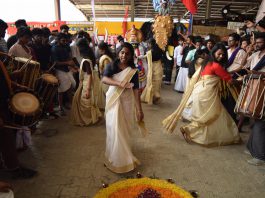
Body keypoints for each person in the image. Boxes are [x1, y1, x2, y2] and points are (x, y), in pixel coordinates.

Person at [163, 43, 241, 147]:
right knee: (209, 116)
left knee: (208, 116)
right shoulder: (216, 65)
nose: (221, 56)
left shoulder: (206, 63)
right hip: (207, 94)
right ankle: (188, 130)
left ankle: (200, 134)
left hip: (200, 91)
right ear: (213, 52)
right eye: (219, 54)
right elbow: (230, 81)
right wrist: (241, 80)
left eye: (223, 55)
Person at [102, 42, 144, 173]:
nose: (124, 55)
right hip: (114, 99)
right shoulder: (112, 65)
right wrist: (119, 83)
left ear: (131, 55)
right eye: (122, 52)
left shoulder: (133, 71)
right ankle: (116, 158)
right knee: (115, 127)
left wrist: (139, 109)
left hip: (127, 101)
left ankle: (124, 153)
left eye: (127, 53)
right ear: (118, 53)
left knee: (124, 127)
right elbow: (104, 79)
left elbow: (136, 90)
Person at [0, 60, 37, 179]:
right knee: (7, 137)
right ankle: (13, 168)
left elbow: (3, 80)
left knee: (7, 137)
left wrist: (16, 84)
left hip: (4, 103)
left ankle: (7, 163)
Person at [243, 32, 265, 165]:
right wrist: (249, 50)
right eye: (256, 42)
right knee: (256, 121)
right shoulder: (256, 54)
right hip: (255, 89)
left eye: (260, 42)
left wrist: (258, 73)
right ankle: (252, 148)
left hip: (262, 90)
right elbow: (244, 64)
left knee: (260, 122)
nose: (257, 44)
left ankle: (260, 156)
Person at [70, 38, 102, 126]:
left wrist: (87, 89)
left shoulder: (86, 60)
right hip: (88, 82)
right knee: (88, 101)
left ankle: (89, 119)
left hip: (87, 83)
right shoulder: (88, 58)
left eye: (77, 47)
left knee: (85, 101)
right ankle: (93, 117)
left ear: (80, 48)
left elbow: (89, 75)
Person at [51, 33, 77, 115]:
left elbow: (69, 57)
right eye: (63, 40)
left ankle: (72, 105)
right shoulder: (54, 49)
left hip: (67, 70)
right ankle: (61, 107)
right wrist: (68, 63)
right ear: (58, 40)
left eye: (66, 40)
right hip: (60, 71)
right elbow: (55, 63)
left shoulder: (66, 46)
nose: (65, 42)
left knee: (72, 85)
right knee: (61, 90)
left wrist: (72, 66)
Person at [141, 38, 163, 104]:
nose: (148, 45)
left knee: (151, 81)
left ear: (150, 44)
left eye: (148, 44)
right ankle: (156, 96)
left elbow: (145, 56)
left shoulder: (151, 52)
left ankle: (151, 97)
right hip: (159, 67)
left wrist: (138, 57)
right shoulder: (159, 49)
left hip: (153, 67)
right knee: (157, 82)